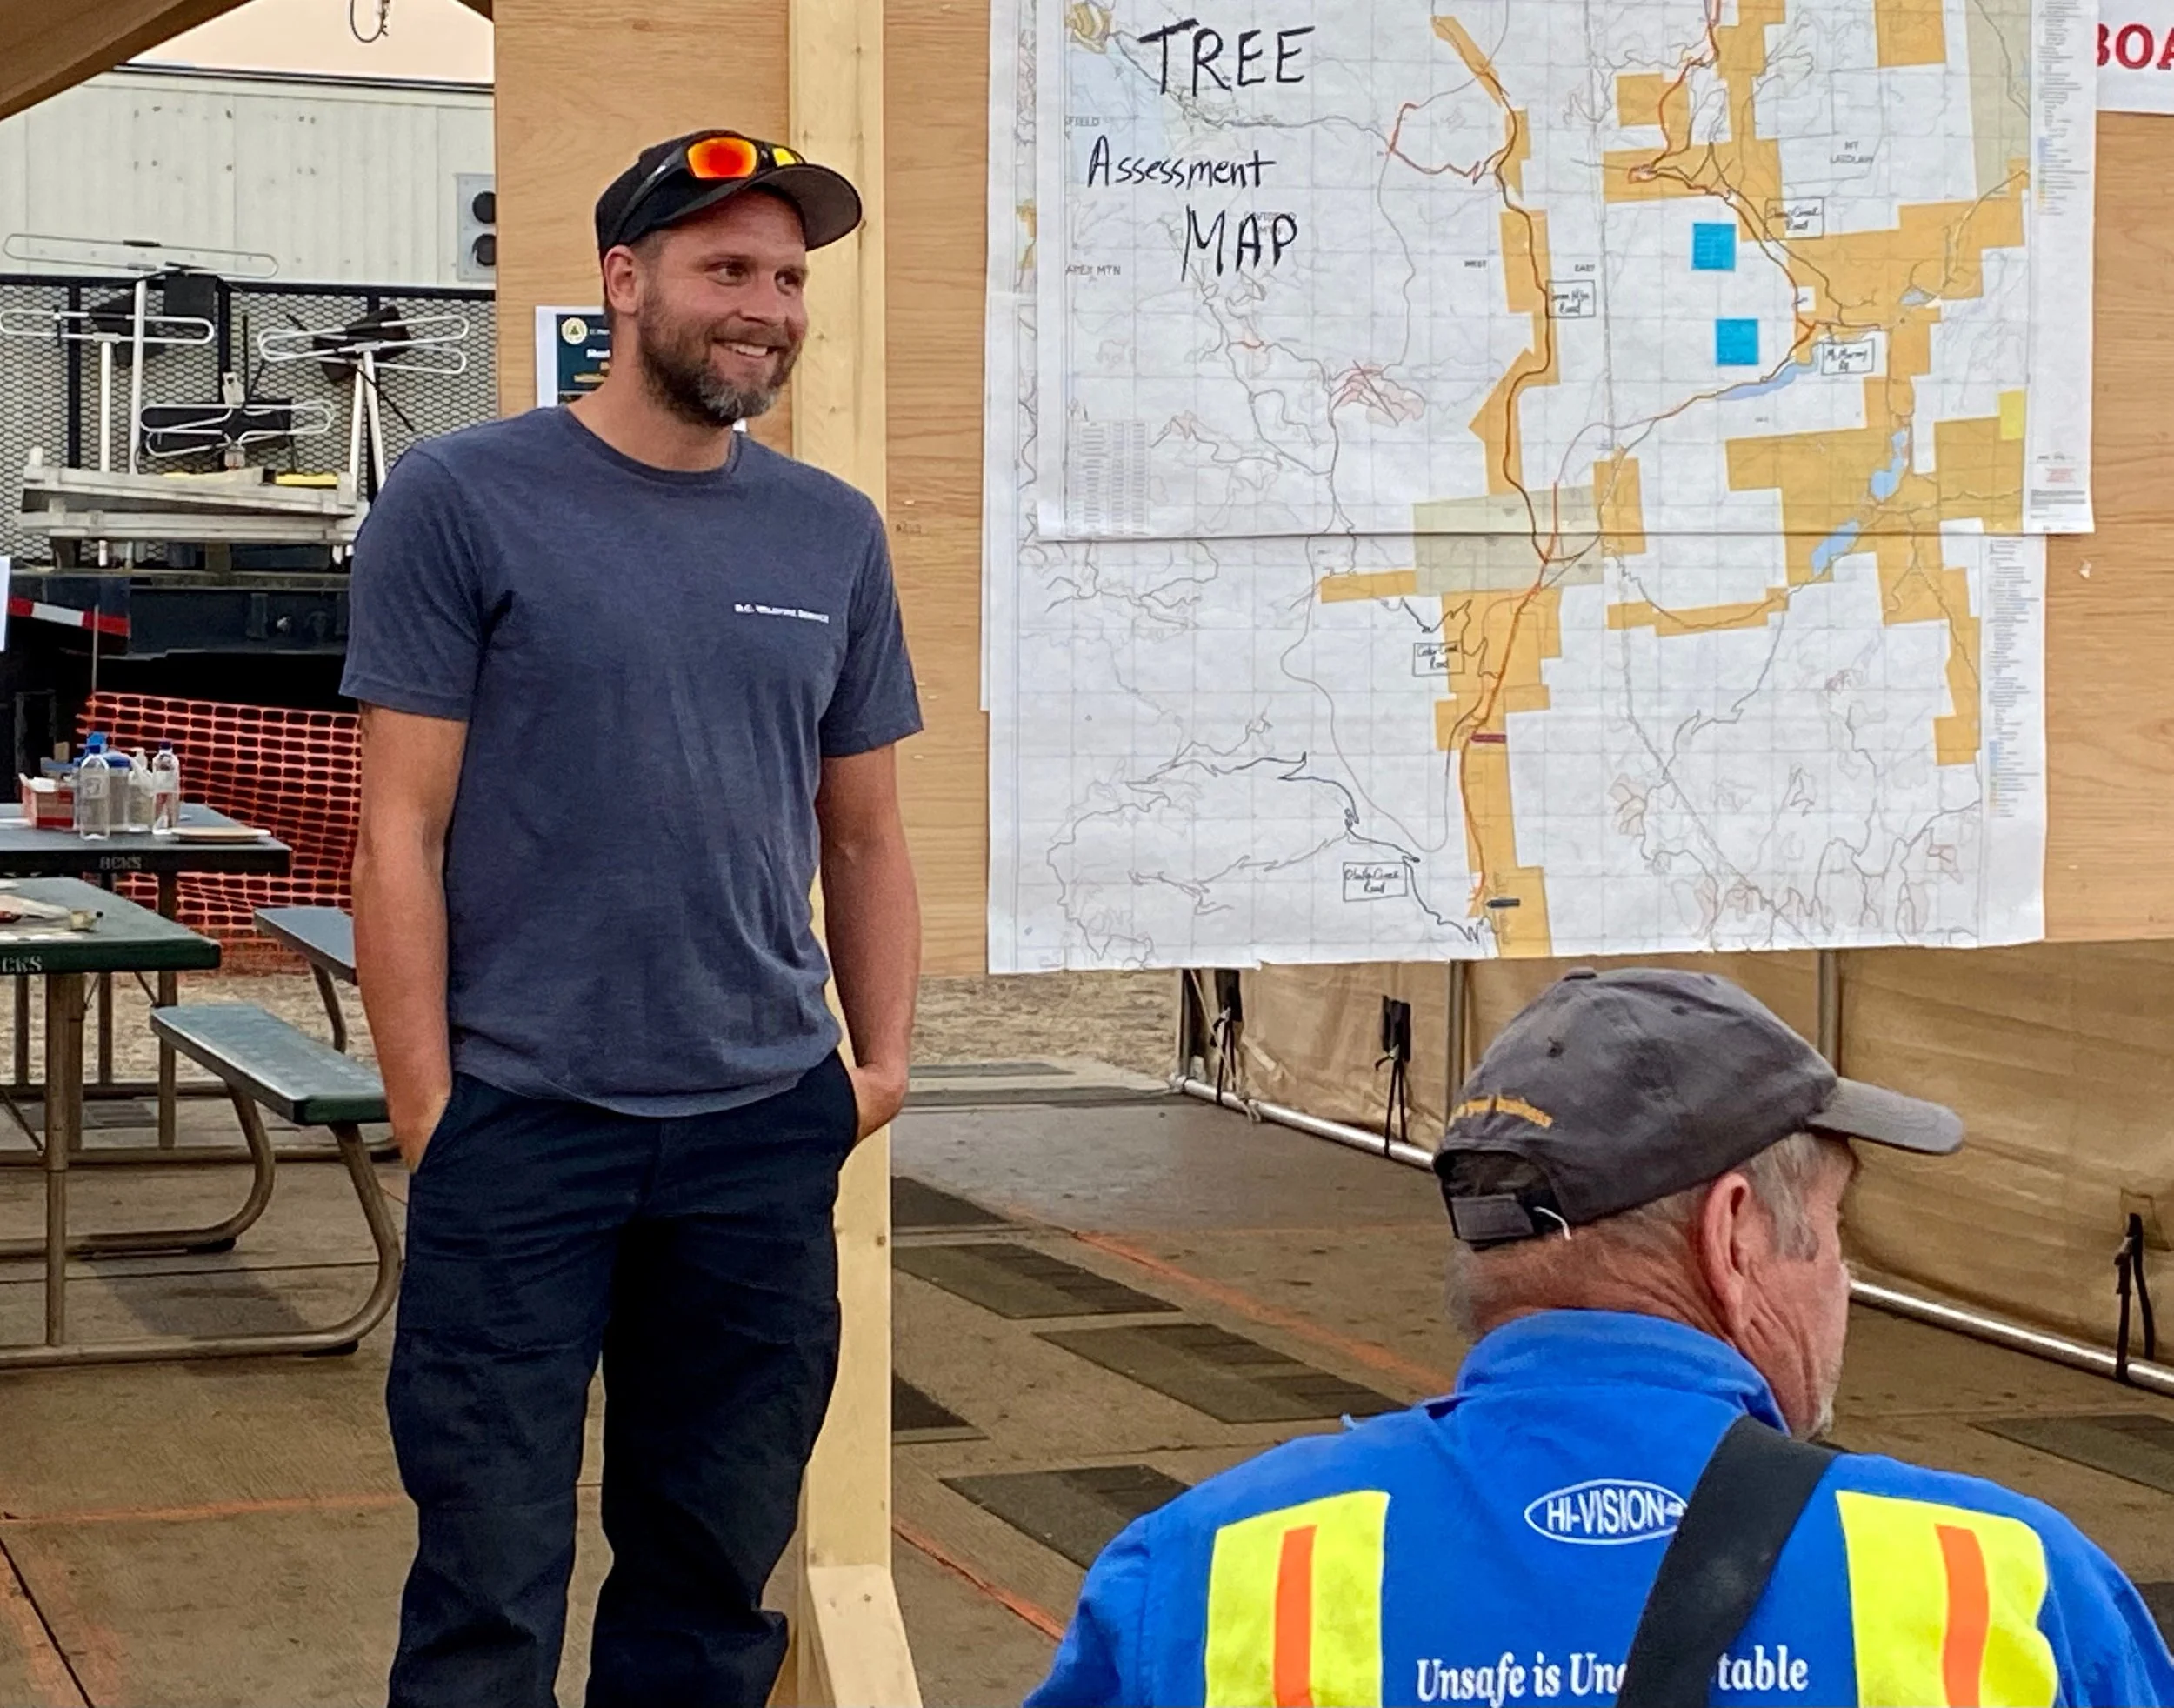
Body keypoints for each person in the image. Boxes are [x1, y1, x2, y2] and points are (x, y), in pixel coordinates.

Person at [343, 129, 923, 1708]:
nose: (768, 309)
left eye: (789, 279)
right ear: (625, 281)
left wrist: (877, 1070)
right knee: (486, 1581)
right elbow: (397, 831)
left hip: (758, 1127)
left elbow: (866, 831)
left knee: (711, 1578)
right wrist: (430, 1112)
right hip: (525, 1120)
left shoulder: (830, 532)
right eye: (728, 269)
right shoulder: (462, 500)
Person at [1030, 969, 2174, 1708]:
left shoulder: (1209, 1574)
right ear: (1734, 1235)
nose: (1843, 1279)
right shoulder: (2007, 1586)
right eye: (1831, 1232)